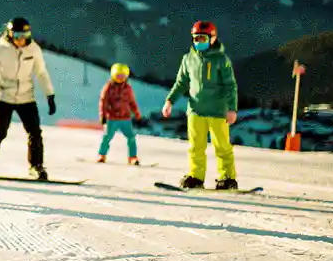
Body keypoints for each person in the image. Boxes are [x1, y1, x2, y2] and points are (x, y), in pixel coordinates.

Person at [0, 17, 56, 180]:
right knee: (0, 131)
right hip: (3, 95)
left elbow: (41, 73)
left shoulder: (33, 50)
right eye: (16, 35)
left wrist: (50, 95)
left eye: (24, 35)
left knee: (35, 132)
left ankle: (36, 166)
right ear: (9, 34)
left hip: (26, 96)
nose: (20, 40)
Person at [161, 21, 239, 189]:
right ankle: (196, 177)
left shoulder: (221, 60)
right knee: (195, 146)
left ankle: (227, 177)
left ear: (213, 39)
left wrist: (232, 108)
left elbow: (230, 86)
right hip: (196, 110)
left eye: (202, 38)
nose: (198, 42)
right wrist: (170, 100)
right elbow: (181, 83)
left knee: (222, 147)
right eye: (195, 38)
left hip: (218, 111)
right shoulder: (188, 59)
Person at [97, 63, 142, 164]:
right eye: (118, 76)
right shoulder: (108, 87)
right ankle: (102, 155)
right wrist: (103, 116)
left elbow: (132, 102)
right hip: (112, 118)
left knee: (131, 137)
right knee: (107, 137)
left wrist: (137, 115)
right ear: (113, 75)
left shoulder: (128, 88)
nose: (120, 78)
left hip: (125, 118)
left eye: (123, 76)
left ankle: (132, 157)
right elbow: (103, 102)